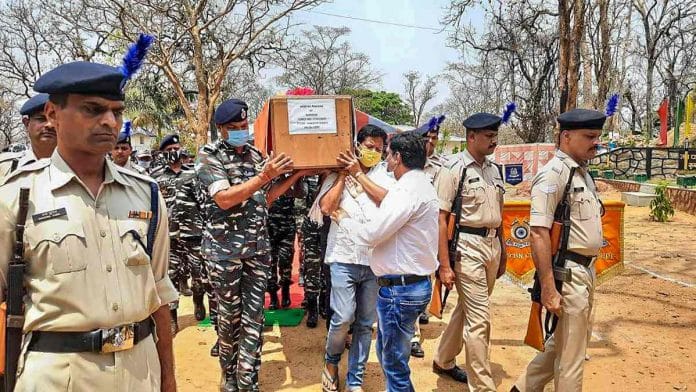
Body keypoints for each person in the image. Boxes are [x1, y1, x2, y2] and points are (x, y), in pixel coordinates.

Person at [0, 57, 177, 390]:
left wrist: (168, 378)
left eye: (116, 111)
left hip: (140, 373)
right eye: (93, 110)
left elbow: (160, 295)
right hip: (59, 377)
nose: (110, 122)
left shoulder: (146, 195)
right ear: (52, 113)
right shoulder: (16, 197)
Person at [196, 98, 311, 391]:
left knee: (254, 317)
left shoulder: (256, 155)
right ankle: (229, 374)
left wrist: (294, 175)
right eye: (233, 127)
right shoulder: (209, 156)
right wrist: (264, 176)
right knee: (229, 317)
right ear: (220, 129)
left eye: (243, 125)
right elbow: (223, 198)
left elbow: (266, 198)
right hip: (224, 253)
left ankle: (248, 380)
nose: (239, 131)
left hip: (257, 250)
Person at [333, 131, 439, 392]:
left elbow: (372, 235)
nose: (384, 159)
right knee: (387, 352)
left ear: (397, 157)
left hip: (400, 290)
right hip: (408, 286)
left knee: (393, 364)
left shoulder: (407, 190)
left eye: (387, 153)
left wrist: (343, 219)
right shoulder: (418, 184)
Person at [512, 108, 604, 392]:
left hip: (585, 271)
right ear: (566, 137)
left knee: (563, 343)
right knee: (570, 358)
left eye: (597, 137)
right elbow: (538, 233)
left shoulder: (582, 174)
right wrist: (549, 287)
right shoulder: (553, 174)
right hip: (568, 274)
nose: (595, 143)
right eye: (589, 136)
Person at [433, 112, 509, 390]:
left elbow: (499, 214)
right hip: (467, 247)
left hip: (492, 246)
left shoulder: (494, 170)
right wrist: (444, 264)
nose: (494, 141)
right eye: (489, 137)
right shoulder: (454, 169)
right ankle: (483, 386)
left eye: (495, 136)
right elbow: (441, 219)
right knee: (480, 320)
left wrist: (504, 251)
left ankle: (443, 358)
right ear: (471, 137)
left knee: (468, 307)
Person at [318, 124, 395, 392]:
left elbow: (388, 202)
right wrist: (343, 175)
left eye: (378, 148)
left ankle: (355, 379)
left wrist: (358, 175)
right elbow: (327, 208)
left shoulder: (387, 176)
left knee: (365, 323)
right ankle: (331, 361)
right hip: (343, 256)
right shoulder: (337, 171)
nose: (373, 152)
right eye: (369, 146)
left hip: (374, 261)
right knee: (342, 317)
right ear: (357, 145)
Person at [409, 115, 449, 359]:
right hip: (412, 234)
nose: (431, 143)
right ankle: (413, 337)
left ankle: (423, 308)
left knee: (428, 277)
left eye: (434, 139)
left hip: (434, 232)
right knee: (412, 280)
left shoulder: (441, 169)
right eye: (427, 139)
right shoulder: (407, 166)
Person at [151, 133, 191, 333]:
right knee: (171, 278)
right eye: (168, 151)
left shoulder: (194, 172)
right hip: (168, 237)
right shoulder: (155, 176)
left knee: (201, 278)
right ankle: (173, 319)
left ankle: (199, 302)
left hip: (194, 234)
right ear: (161, 153)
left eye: (176, 149)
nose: (173, 153)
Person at [266, 178, 304, 310]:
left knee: (285, 260)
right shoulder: (267, 169)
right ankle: (273, 296)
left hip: (287, 224)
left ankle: (286, 290)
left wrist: (296, 178)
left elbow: (300, 194)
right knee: (270, 262)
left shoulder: (290, 174)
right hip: (269, 225)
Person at [0, 93, 56, 178]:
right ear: (27, 123)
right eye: (41, 119)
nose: (49, 124)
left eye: (54, 119)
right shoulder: (5, 166)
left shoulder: (78, 168)